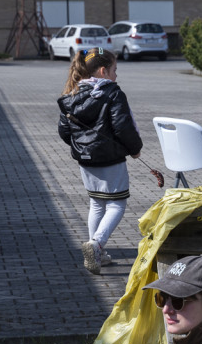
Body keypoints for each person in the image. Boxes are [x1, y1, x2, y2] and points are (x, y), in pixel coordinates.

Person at [57, 47, 143, 275]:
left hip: (85, 160)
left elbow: (64, 131)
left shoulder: (71, 93)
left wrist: (82, 147)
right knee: (117, 204)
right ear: (103, 71)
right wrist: (135, 149)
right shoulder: (113, 92)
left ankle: (98, 254)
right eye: (115, 70)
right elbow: (123, 126)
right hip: (111, 159)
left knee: (96, 203)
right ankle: (96, 245)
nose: (117, 75)